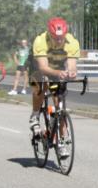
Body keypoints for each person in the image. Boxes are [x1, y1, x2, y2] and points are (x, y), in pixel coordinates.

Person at [29, 18, 80, 154]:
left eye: (61, 38)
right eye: (55, 38)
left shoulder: (72, 42)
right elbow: (43, 67)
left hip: (57, 67)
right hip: (39, 66)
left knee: (60, 106)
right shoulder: (40, 41)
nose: (58, 40)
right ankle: (34, 115)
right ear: (50, 34)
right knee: (39, 86)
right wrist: (59, 73)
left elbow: (72, 64)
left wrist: (71, 72)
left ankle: (60, 141)